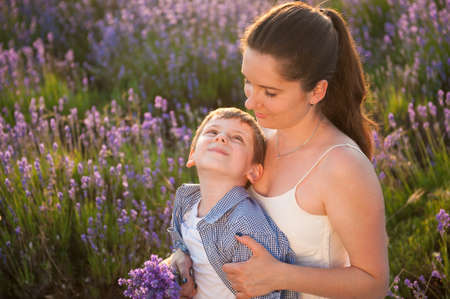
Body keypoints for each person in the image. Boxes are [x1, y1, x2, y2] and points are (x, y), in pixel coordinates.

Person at [171, 2, 389, 299]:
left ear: (317, 91)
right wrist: (183, 262)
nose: (250, 103)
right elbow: (215, 219)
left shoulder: (342, 165)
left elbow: (374, 284)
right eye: (249, 82)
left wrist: (281, 275)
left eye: (270, 92)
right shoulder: (255, 139)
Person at [167, 107, 298, 298]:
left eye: (237, 138)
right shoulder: (186, 199)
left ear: (253, 171)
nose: (221, 138)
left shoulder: (244, 225)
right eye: (212, 132)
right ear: (192, 155)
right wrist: (179, 255)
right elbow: (182, 243)